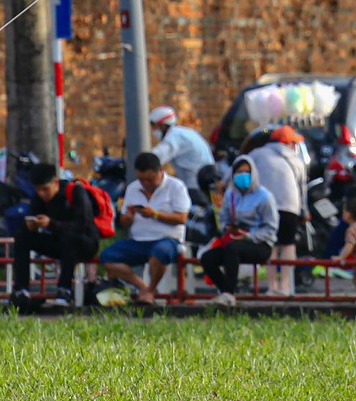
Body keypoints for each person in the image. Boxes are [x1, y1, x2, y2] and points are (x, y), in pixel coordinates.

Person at [99, 152, 191, 306]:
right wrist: (127, 218)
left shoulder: (176, 187)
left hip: (168, 239)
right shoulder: (133, 188)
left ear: (160, 171)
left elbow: (181, 218)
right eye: (142, 180)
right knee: (108, 256)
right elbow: (123, 221)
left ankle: (150, 289)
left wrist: (155, 214)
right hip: (139, 240)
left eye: (150, 179)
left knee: (159, 252)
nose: (146, 184)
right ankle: (143, 287)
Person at [13, 160, 100, 307]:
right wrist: (31, 226)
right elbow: (32, 218)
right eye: (38, 190)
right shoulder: (39, 199)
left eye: (45, 189)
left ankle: (64, 290)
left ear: (55, 182)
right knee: (22, 237)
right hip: (60, 244)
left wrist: (52, 224)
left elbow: (82, 224)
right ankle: (21, 290)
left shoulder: (75, 192)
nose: (42, 194)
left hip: (84, 243)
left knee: (69, 238)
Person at [199, 156, 278, 308]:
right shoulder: (230, 195)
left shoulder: (265, 197)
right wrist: (227, 228)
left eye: (247, 172)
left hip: (260, 243)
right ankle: (226, 292)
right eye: (239, 172)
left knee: (233, 249)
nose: (243, 176)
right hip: (234, 239)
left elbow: (271, 228)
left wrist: (248, 235)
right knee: (207, 257)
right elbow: (223, 219)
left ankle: (228, 293)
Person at [248, 127, 307, 298]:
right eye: (294, 143)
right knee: (288, 245)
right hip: (290, 205)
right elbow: (302, 188)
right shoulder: (296, 159)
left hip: (265, 204)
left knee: (270, 244)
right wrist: (304, 210)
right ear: (287, 143)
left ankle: (272, 288)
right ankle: (286, 287)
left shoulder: (257, 154)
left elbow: (240, 169)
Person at [149, 106, 215, 181]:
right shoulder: (184, 132)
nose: (152, 130)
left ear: (163, 125)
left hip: (195, 183)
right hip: (204, 178)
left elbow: (154, 158)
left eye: (153, 125)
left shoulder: (173, 137)